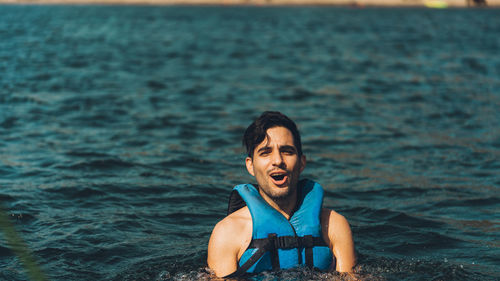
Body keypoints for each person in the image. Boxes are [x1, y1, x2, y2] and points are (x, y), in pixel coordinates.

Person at [207, 111, 356, 278]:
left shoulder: (334, 226)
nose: (277, 160)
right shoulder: (227, 233)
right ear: (250, 166)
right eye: (265, 152)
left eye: (287, 151)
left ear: (301, 163)